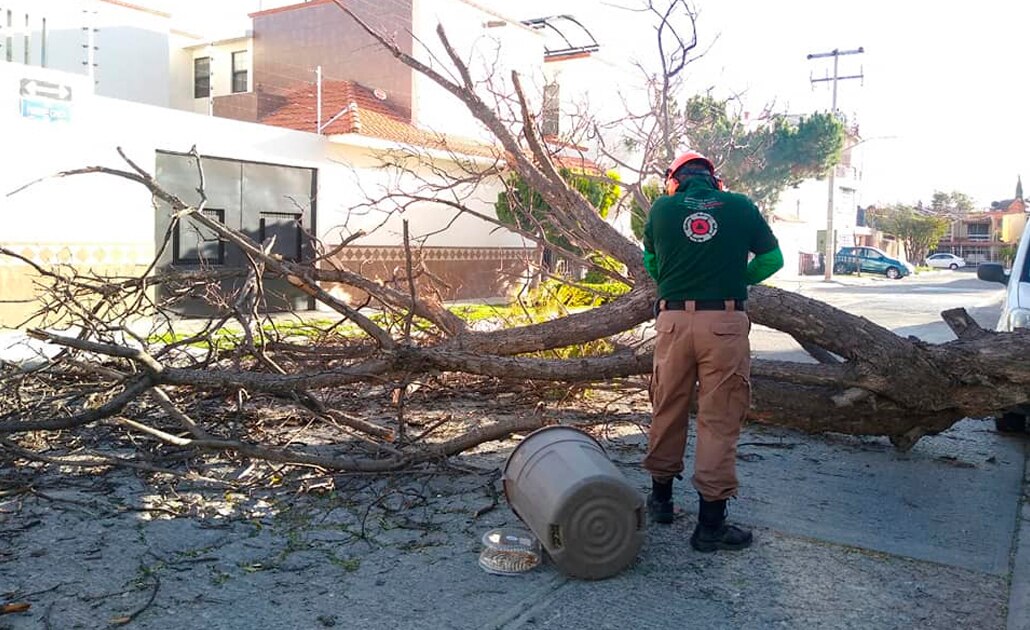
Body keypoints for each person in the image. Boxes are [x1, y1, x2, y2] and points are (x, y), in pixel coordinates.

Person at [641, 150, 783, 552]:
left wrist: (671, 280)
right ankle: (710, 526)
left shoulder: (662, 210)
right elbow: (773, 258)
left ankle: (662, 500)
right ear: (715, 179)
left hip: (672, 323)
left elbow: (651, 260)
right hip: (723, 323)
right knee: (719, 418)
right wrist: (738, 278)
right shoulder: (739, 206)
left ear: (675, 180)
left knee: (667, 406)